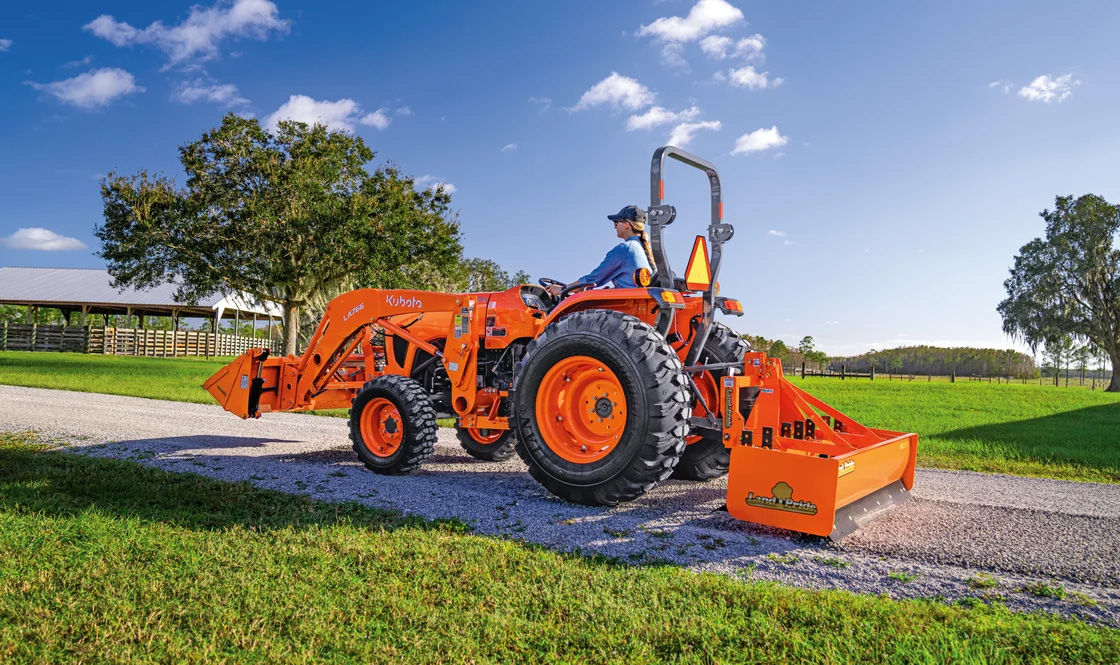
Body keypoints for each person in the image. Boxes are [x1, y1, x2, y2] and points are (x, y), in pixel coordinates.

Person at [546, 205, 656, 297]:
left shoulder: (625, 250)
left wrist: (562, 289)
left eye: (616, 222)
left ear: (627, 224)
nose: (615, 226)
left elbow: (593, 280)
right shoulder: (645, 249)